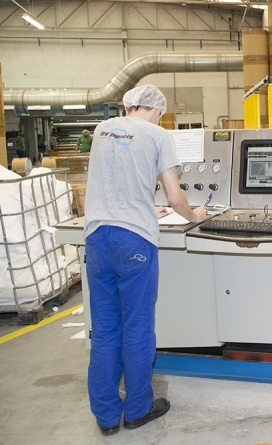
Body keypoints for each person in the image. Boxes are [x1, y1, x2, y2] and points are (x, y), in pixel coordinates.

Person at [83, 84, 207, 435]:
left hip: (97, 237)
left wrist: (142, 204)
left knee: (105, 330)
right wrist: (192, 215)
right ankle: (137, 408)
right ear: (156, 110)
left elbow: (114, 183)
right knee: (137, 327)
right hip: (134, 239)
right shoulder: (158, 134)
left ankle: (106, 416)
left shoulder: (102, 130)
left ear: (129, 105)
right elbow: (174, 194)